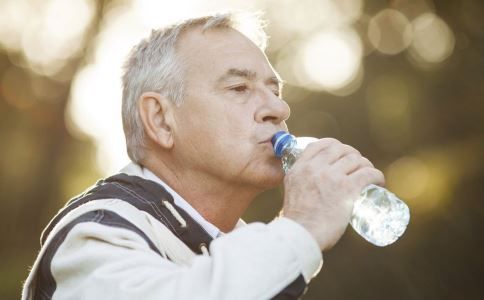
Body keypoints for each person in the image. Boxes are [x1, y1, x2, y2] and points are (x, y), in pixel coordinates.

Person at [23, 12, 384, 300]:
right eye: (239, 88)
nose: (279, 108)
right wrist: (300, 227)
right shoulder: (99, 231)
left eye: (275, 90)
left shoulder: (226, 248)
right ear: (161, 120)